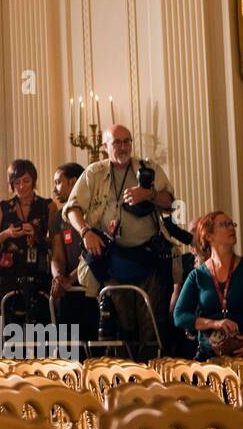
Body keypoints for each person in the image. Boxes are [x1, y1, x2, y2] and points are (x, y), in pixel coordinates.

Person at [62, 125, 175, 354]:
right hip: (112, 259)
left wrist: (149, 194)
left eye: (127, 141)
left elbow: (171, 202)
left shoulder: (148, 168)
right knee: (120, 327)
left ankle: (152, 379)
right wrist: (86, 233)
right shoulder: (94, 173)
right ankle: (122, 382)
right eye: (117, 142)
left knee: (151, 326)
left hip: (148, 258)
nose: (123, 147)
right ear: (105, 147)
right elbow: (72, 208)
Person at [173, 210, 243, 360]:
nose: (231, 228)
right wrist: (214, 323)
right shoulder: (198, 275)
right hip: (210, 355)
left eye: (232, 224)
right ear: (208, 235)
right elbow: (179, 316)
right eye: (224, 224)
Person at [0, 159, 61, 326]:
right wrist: (6, 233)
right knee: (12, 325)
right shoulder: (3, 207)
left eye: (25, 181)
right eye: (16, 182)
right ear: (11, 184)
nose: (21, 186)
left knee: (41, 323)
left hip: (39, 273)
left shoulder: (47, 206)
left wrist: (37, 235)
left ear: (33, 180)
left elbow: (55, 243)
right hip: (10, 275)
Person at [50, 162, 96, 352]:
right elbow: (57, 255)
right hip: (68, 292)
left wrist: (71, 278)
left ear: (73, 182)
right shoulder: (59, 216)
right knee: (68, 351)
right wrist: (58, 277)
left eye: (58, 182)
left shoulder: (92, 211)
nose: (54, 189)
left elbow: (95, 250)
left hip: (91, 289)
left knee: (94, 350)